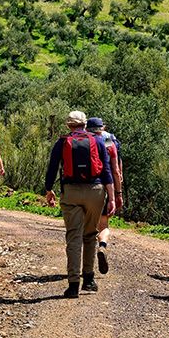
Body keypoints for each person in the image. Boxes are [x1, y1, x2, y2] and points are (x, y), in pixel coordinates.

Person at [45, 111, 115, 298]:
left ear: (69, 125)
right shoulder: (98, 141)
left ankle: (73, 284)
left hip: (71, 192)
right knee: (90, 234)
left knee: (73, 237)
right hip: (95, 191)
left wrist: (48, 189)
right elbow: (107, 170)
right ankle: (89, 280)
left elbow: (52, 167)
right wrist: (112, 197)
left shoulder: (62, 142)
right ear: (84, 124)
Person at [86, 117, 123, 275]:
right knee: (104, 225)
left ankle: (85, 266)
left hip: (83, 187)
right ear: (103, 127)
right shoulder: (108, 140)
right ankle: (102, 246)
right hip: (103, 187)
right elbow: (115, 170)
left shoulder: (83, 139)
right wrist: (117, 193)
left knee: (86, 228)